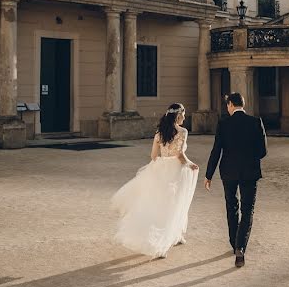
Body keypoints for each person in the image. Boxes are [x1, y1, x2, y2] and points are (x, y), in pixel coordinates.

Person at [111, 103, 199, 259]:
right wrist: (191, 164)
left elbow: (153, 156)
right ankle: (163, 242)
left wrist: (162, 163)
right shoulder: (183, 132)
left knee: (161, 205)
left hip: (161, 168)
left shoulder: (159, 133)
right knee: (175, 203)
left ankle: (175, 235)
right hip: (176, 170)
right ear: (178, 115)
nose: (185, 117)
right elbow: (179, 155)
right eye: (183, 114)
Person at [205, 93, 268, 268]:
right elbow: (263, 151)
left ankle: (234, 243)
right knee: (248, 210)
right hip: (250, 172)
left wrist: (208, 175)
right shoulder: (256, 122)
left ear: (231, 104)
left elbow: (216, 150)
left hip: (228, 172)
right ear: (243, 104)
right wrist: (249, 156)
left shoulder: (224, 123)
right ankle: (240, 247)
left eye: (227, 105)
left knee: (231, 206)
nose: (227, 108)